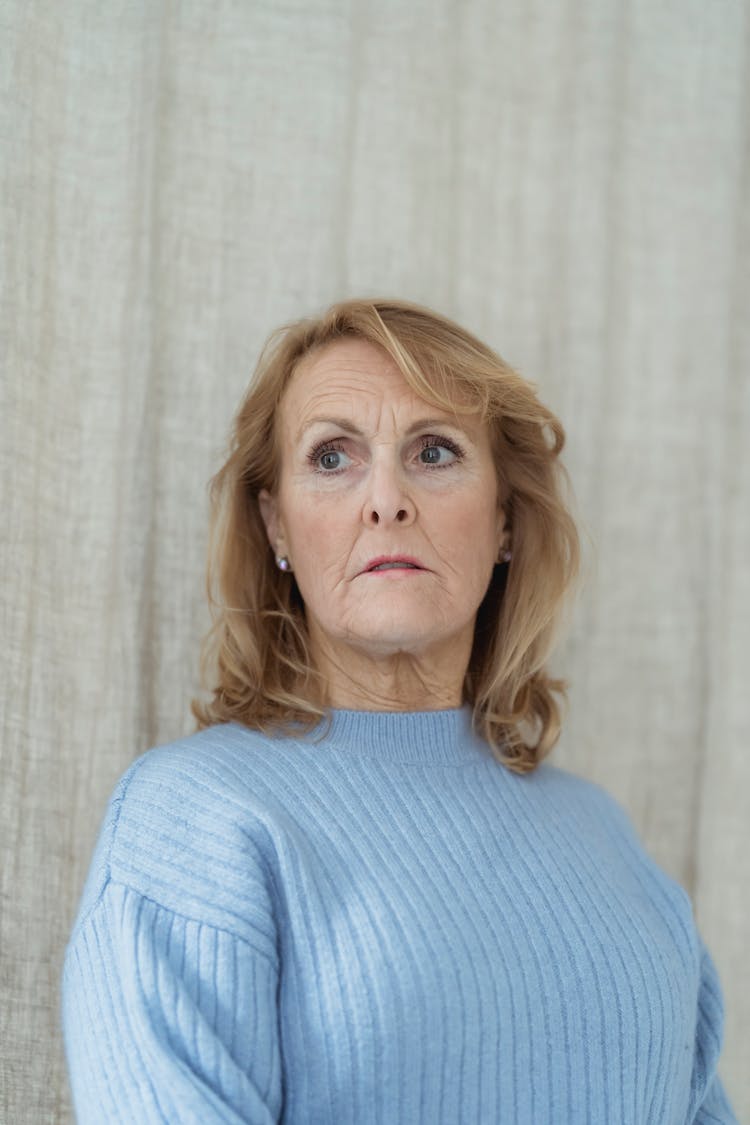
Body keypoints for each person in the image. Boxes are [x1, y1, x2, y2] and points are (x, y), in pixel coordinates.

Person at [62, 297, 737, 1123]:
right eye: (334, 455)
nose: (386, 499)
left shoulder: (605, 834)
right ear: (277, 523)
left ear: (504, 522)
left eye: (434, 450)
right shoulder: (190, 825)